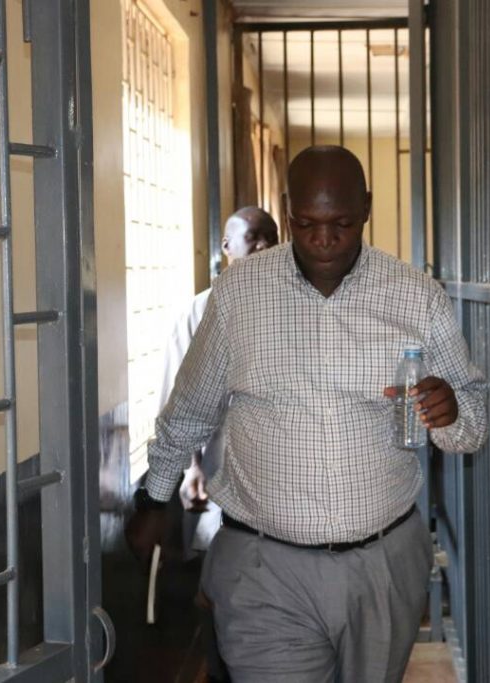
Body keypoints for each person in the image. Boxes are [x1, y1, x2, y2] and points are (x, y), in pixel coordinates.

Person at [127, 146, 488, 682]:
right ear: (287, 209)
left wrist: (452, 409)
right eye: (305, 223)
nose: (323, 239)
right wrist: (155, 498)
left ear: (366, 208)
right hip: (264, 568)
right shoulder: (239, 295)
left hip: (382, 564)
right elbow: (190, 409)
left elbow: (472, 426)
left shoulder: (417, 297)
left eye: (341, 223)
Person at [156, 206, 278, 683]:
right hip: (217, 476)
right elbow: (178, 403)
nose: (263, 247)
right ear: (226, 248)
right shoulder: (198, 313)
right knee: (221, 591)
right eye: (252, 238)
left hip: (279, 484)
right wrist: (189, 469)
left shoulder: (292, 310)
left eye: (270, 239)